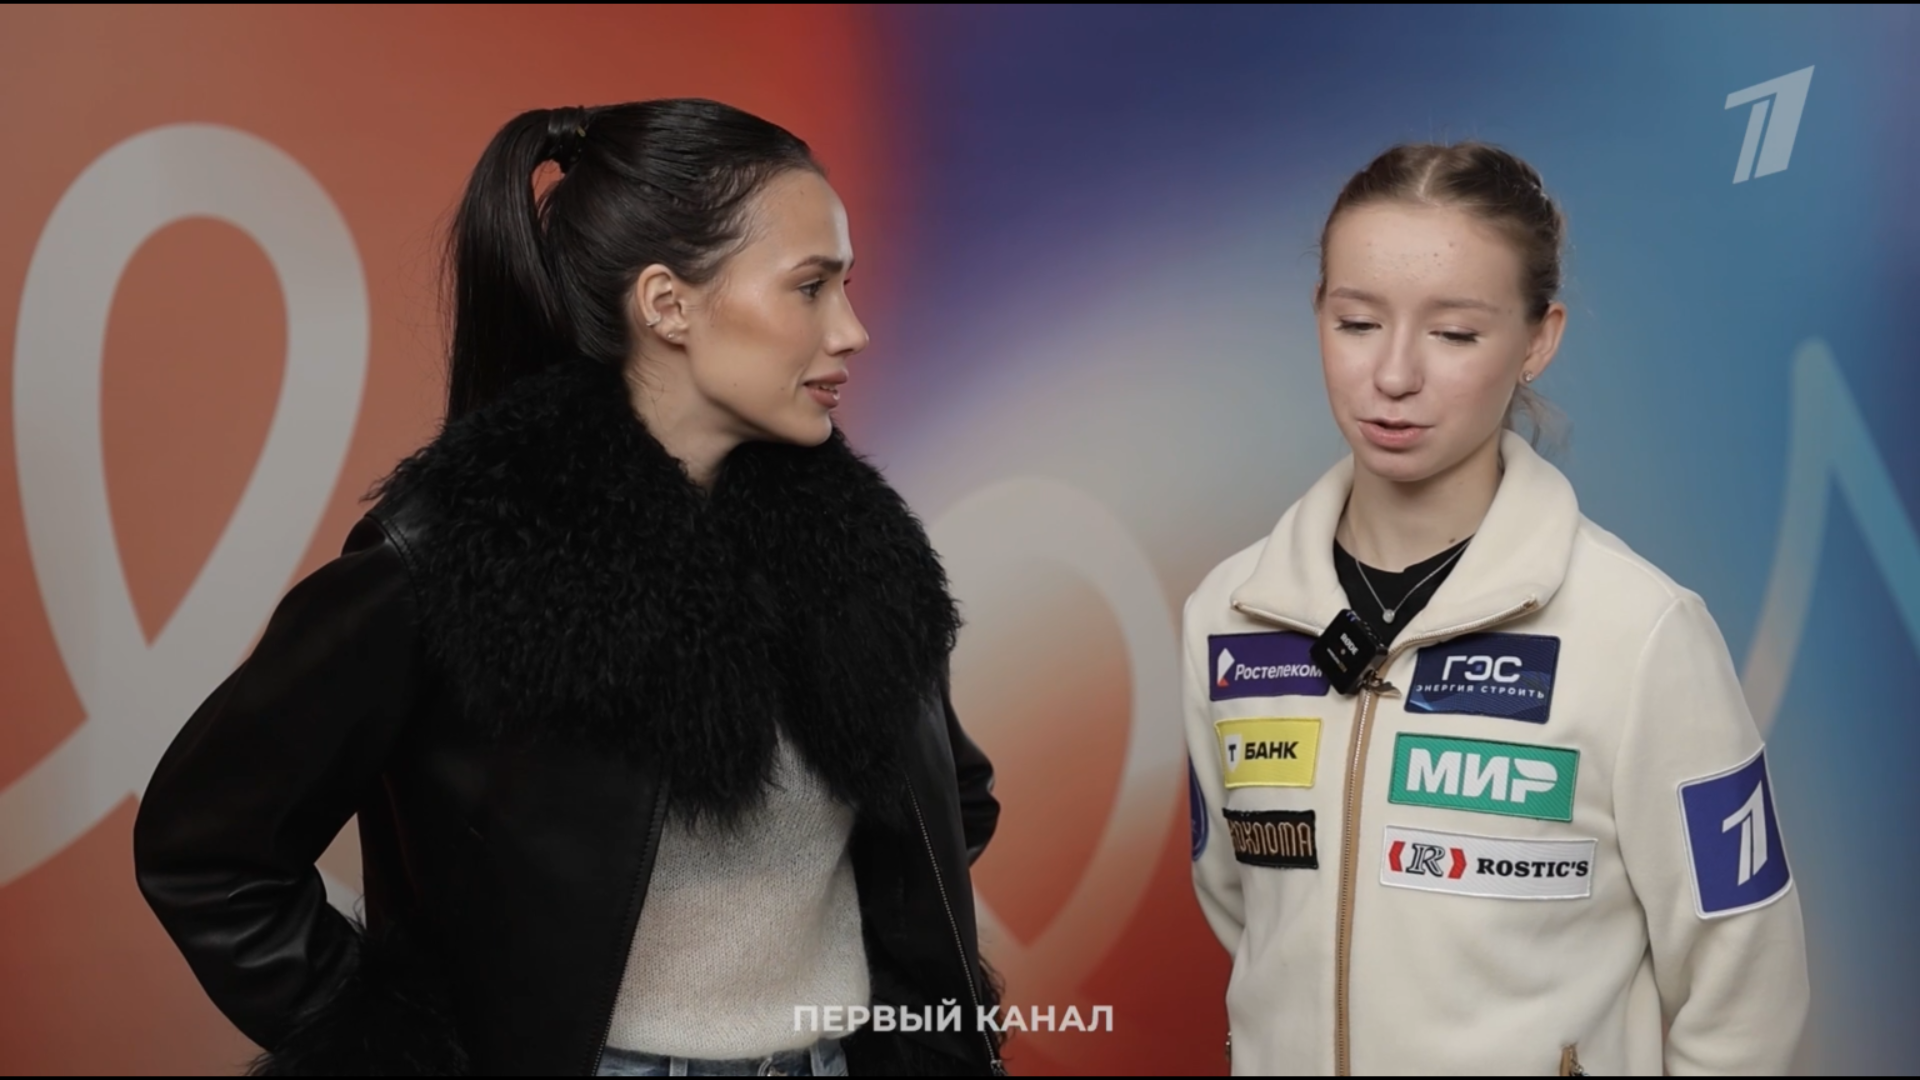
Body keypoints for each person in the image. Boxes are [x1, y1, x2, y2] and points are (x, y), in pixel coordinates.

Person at [133, 98, 1004, 1077]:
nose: (852, 330)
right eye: (810, 286)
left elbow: (949, 801)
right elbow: (209, 851)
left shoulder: (854, 549)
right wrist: (404, 1053)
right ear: (667, 304)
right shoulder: (456, 555)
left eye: (847, 284)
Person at [1182, 142, 1808, 1076]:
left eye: (1454, 334)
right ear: (1318, 315)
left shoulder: (1640, 632)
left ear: (1538, 341)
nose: (1394, 373)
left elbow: (1746, 990)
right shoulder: (1228, 616)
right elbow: (1251, 914)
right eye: (1357, 322)